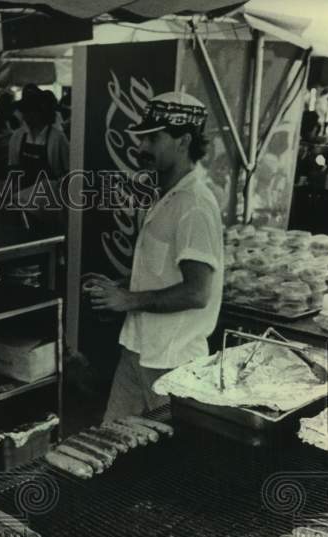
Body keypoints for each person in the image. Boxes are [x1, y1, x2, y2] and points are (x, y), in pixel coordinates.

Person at [84, 92, 223, 422]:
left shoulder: (195, 206)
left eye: (153, 138)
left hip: (171, 362)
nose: (142, 147)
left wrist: (128, 299)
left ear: (183, 140)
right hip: (138, 349)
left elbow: (197, 292)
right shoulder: (169, 198)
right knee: (113, 439)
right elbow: (166, 274)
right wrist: (118, 289)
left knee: (161, 459)